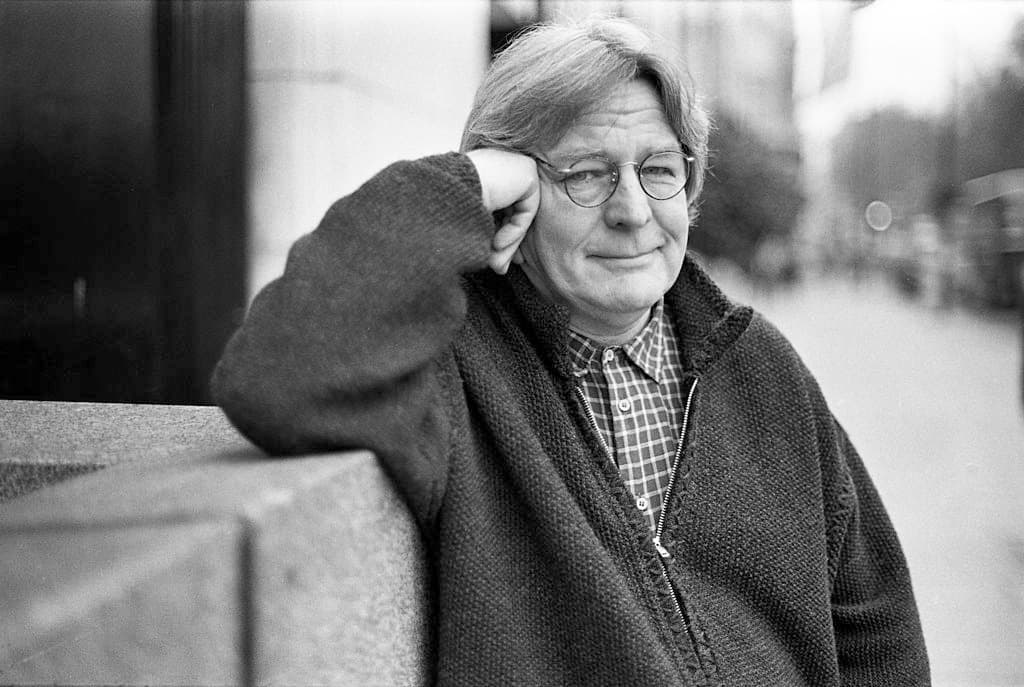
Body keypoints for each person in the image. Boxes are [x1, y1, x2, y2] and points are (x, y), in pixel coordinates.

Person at [212, 17, 930, 686]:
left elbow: (876, 625)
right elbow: (276, 373)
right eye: (586, 174)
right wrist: (467, 184)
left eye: (659, 170)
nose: (632, 211)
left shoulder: (761, 367)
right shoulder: (456, 373)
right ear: (515, 198)